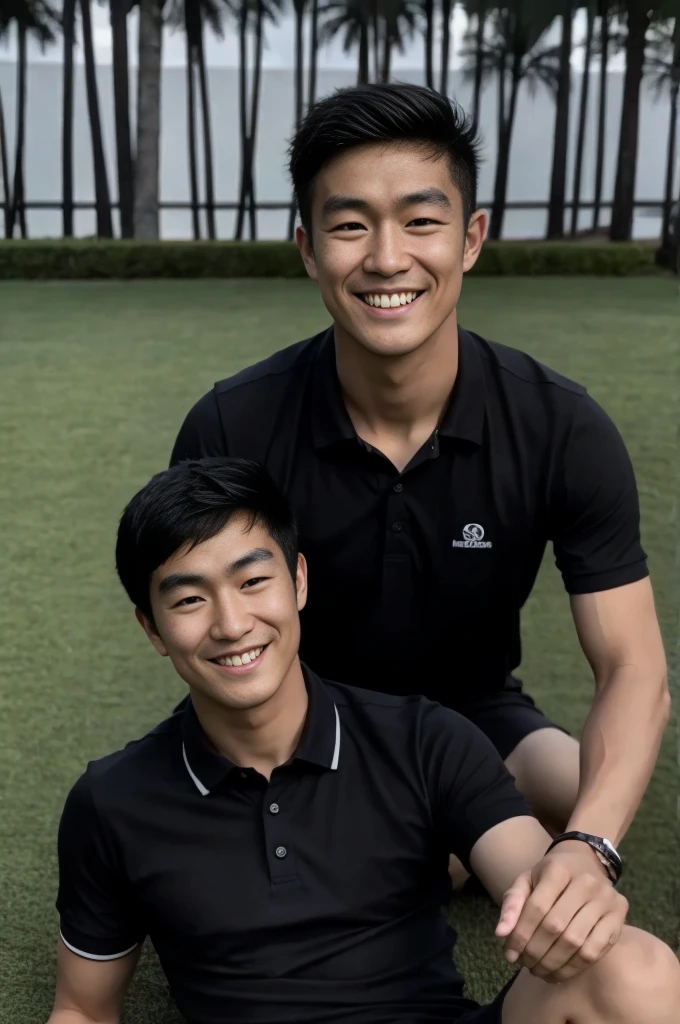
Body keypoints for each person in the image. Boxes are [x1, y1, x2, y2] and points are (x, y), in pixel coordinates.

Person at [169, 83, 670, 889]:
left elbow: (632, 668)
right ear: (307, 248)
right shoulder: (235, 426)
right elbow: (209, 637)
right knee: (371, 866)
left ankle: (462, 829)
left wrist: (590, 846)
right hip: (303, 726)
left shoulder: (561, 426)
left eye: (421, 220)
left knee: (590, 795)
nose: (387, 258)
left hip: (477, 718)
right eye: (350, 225)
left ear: (471, 238)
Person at [49, 458, 680, 1024]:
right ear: (152, 628)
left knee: (636, 970)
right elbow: (83, 1007)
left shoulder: (425, 738)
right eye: (189, 598)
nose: (232, 624)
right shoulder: (113, 802)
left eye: (251, 582)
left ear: (297, 582)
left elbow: (537, 879)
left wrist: (568, 889)